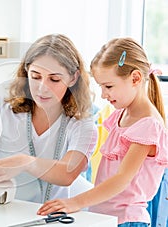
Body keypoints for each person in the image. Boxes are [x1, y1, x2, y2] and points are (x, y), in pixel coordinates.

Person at [0, 34, 97, 203]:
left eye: (54, 79)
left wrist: (24, 162)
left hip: (50, 217)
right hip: (3, 210)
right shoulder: (0, 110)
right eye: (35, 76)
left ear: (73, 78)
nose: (42, 88)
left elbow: (67, 173)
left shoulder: (82, 126)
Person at [37, 37, 168, 226]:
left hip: (127, 221)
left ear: (136, 78)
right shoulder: (123, 115)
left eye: (108, 86)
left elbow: (122, 179)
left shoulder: (147, 127)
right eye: (101, 87)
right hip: (106, 218)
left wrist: (76, 202)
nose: (104, 94)